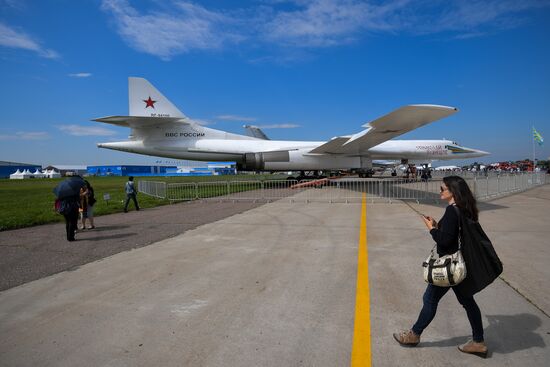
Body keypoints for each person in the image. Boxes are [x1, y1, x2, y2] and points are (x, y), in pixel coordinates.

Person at [393, 176, 488, 358]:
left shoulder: (453, 211)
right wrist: (439, 225)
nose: (439, 191)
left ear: (452, 192)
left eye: (442, 188)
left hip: (449, 267)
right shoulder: (465, 209)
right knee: (468, 302)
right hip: (461, 266)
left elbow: (444, 240)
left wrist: (431, 229)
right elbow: (453, 235)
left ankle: (413, 335)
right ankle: (478, 342)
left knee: (430, 299)